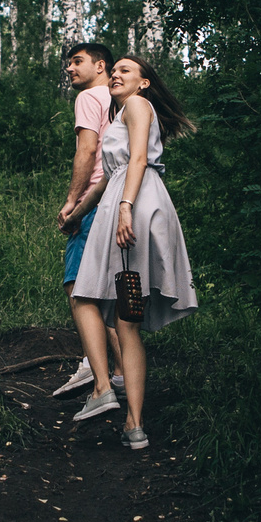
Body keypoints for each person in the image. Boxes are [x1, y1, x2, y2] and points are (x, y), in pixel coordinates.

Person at [69, 55, 198, 449]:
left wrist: (126, 207)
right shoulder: (120, 114)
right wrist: (76, 212)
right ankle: (134, 425)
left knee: (90, 298)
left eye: (127, 70)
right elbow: (107, 175)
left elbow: (139, 160)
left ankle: (107, 391)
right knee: (127, 320)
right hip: (121, 202)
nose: (117, 75)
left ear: (144, 83)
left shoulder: (140, 105)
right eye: (116, 70)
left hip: (135, 205)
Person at [51, 42, 125, 396]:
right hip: (122, 199)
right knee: (109, 289)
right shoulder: (121, 103)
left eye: (77, 62)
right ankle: (120, 372)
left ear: (100, 67)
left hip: (95, 201)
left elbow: (88, 149)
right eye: (68, 63)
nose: (70, 68)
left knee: (79, 286)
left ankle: (98, 376)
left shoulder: (88, 98)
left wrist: (72, 201)